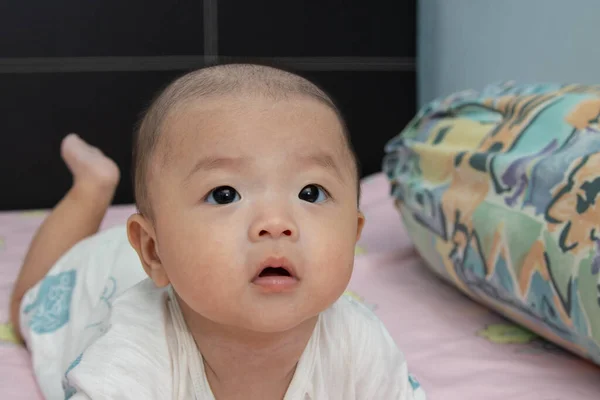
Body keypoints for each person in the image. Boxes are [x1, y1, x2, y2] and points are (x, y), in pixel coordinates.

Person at [10, 64, 426, 399]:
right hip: (97, 275)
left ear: (353, 236)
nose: (276, 223)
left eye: (310, 192)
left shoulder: (357, 343)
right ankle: (91, 188)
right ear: (154, 250)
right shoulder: (137, 350)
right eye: (225, 194)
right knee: (25, 307)